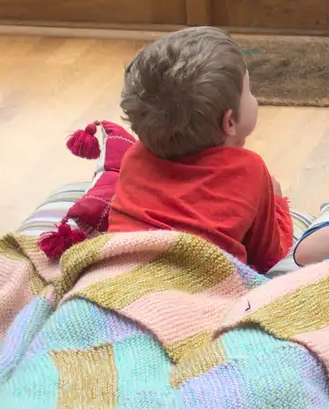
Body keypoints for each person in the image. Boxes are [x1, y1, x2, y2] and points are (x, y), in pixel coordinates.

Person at [107, 27, 293, 274]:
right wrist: (278, 203)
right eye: (249, 91)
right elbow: (270, 255)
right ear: (229, 122)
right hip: (199, 290)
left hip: (115, 276)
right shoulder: (250, 170)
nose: (254, 97)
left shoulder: (133, 157)